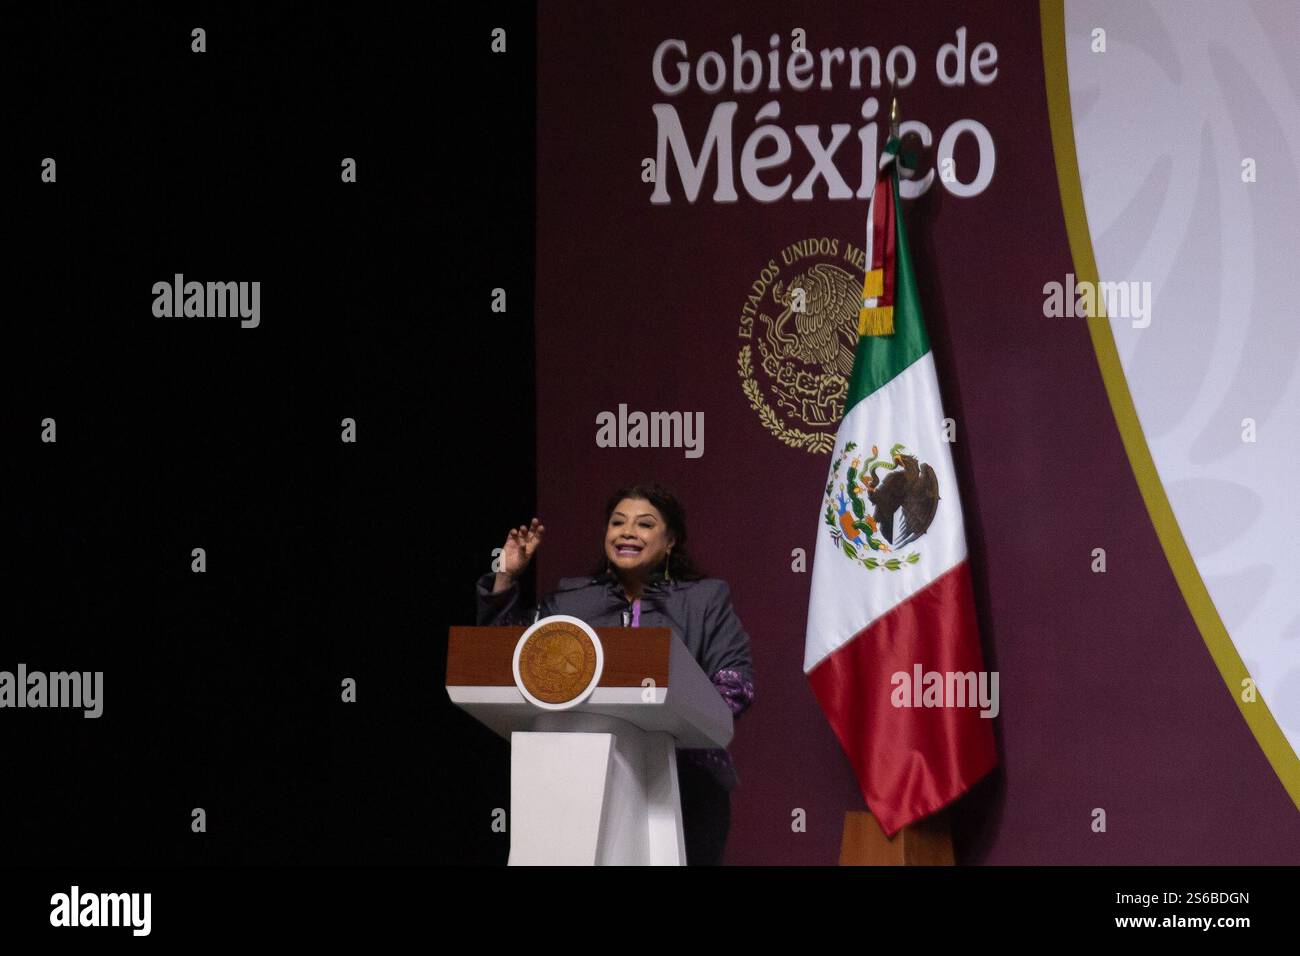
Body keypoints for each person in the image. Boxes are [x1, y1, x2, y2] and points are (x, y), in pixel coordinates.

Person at [475, 482, 755, 865]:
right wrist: (506, 578)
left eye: (644, 524)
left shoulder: (705, 599)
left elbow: (734, 684)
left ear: (670, 540)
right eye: (617, 522)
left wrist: (673, 716)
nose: (627, 532)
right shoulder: (569, 600)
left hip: (685, 781)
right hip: (573, 782)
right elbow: (508, 664)